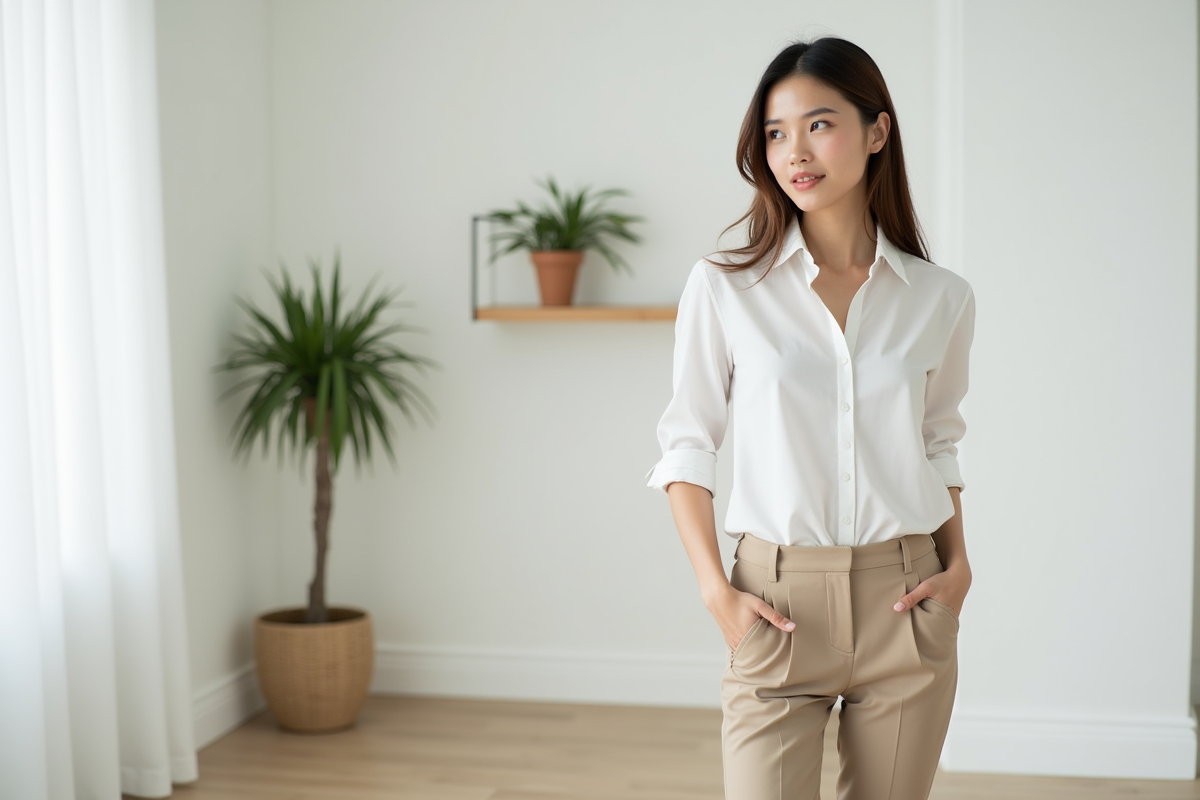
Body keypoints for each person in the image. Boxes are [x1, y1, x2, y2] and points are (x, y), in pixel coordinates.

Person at [644, 37, 975, 800]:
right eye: (775, 131)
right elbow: (687, 444)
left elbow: (939, 441)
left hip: (906, 600)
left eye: (819, 124)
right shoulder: (724, 289)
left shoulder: (941, 297)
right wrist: (714, 592)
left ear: (877, 131)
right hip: (776, 603)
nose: (795, 151)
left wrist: (958, 569)